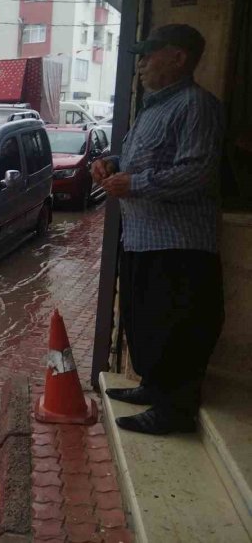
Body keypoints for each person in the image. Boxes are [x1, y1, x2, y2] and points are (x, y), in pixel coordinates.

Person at [91, 23, 225, 435]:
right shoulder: (153, 107)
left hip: (178, 244)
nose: (142, 63)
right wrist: (112, 162)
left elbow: (197, 172)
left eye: (150, 53)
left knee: (175, 327)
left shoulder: (196, 105)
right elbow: (141, 157)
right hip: (142, 238)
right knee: (146, 323)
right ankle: (153, 389)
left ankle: (174, 410)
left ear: (179, 57)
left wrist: (133, 183)